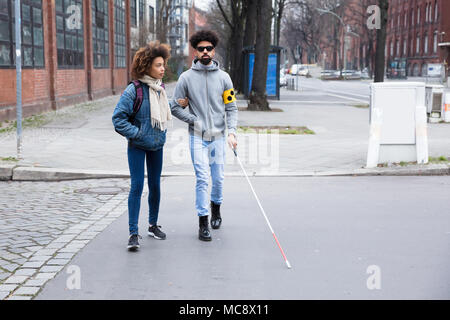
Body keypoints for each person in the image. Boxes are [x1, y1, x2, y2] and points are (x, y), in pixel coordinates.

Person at [112, 41, 186, 251]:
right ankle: (133, 233)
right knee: (137, 187)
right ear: (146, 66)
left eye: (163, 64)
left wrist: (180, 105)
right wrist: (137, 134)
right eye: (159, 65)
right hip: (137, 146)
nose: (163, 68)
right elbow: (118, 119)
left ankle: (153, 225)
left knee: (155, 185)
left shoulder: (160, 88)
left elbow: (164, 111)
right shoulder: (133, 90)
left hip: (157, 145)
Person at [170, 30, 238, 242]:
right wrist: (193, 119)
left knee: (217, 178)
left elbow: (231, 107)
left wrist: (232, 131)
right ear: (195, 51)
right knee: (202, 177)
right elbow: (174, 107)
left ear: (214, 50)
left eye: (209, 48)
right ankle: (203, 221)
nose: (206, 51)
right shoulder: (186, 78)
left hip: (218, 135)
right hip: (197, 136)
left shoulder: (224, 78)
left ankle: (216, 207)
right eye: (201, 49)